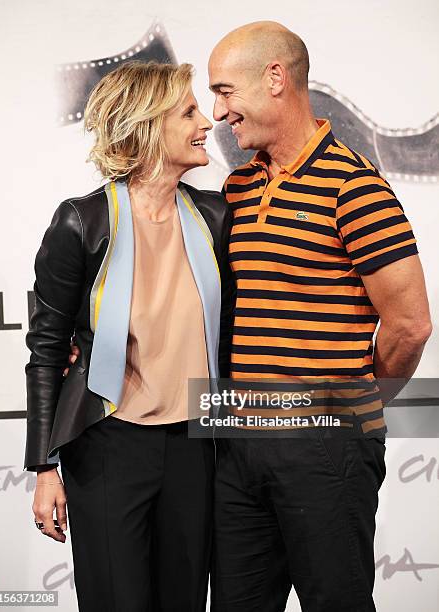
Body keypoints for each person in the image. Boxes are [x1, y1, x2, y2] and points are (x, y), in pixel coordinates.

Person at [207, 21, 432, 611]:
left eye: (226, 90)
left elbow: (410, 325)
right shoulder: (236, 188)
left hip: (326, 443)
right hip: (237, 438)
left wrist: (351, 399)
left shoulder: (356, 188)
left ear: (276, 78)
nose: (218, 110)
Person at [24, 61, 235, 612]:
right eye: (188, 112)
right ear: (146, 125)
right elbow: (46, 351)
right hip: (108, 445)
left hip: (195, 444)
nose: (206, 123)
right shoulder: (81, 222)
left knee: (185, 602)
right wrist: (45, 467)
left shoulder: (215, 217)